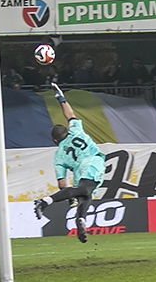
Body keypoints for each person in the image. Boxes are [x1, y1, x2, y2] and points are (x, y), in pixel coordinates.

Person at [33, 83, 107, 242]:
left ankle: (81, 220)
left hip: (79, 170)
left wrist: (69, 197)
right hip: (93, 161)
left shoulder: (58, 155)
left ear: (54, 140)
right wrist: (61, 98)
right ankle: (46, 201)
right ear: (66, 132)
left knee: (85, 196)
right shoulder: (75, 130)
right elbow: (70, 114)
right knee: (85, 191)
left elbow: (62, 183)